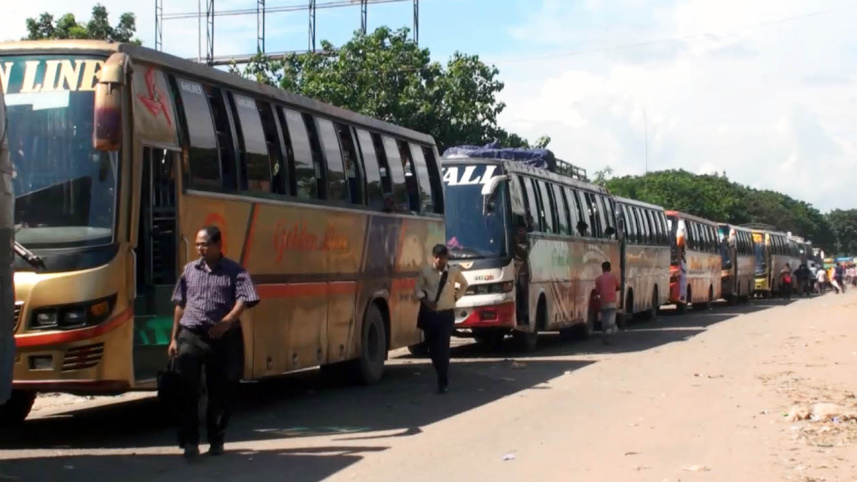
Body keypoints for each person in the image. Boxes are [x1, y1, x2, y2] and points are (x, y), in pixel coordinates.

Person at [169, 226, 260, 460]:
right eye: (198, 244)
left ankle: (216, 440)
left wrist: (227, 321)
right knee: (187, 389)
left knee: (219, 392)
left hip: (222, 338)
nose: (200, 248)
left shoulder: (235, 271)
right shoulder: (189, 270)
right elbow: (180, 304)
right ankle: (189, 442)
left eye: (205, 244)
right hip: (191, 335)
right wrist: (174, 338)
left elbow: (246, 299)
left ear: (219, 245)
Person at [414, 244, 468, 394]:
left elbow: (464, 285)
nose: (439, 260)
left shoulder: (453, 271)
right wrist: (426, 302)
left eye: (442, 257)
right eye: (437, 257)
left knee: (443, 347)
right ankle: (440, 371)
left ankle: (442, 380)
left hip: (446, 315)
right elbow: (417, 289)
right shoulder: (426, 271)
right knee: (432, 349)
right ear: (433, 257)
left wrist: (455, 297)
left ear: (446, 257)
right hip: (430, 316)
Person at [595, 261, 621, 345]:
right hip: (612, 303)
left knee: (604, 321)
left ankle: (605, 334)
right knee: (611, 322)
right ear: (610, 269)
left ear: (602, 269)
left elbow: (598, 291)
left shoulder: (598, 279)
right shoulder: (614, 278)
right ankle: (609, 334)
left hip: (602, 303)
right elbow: (618, 287)